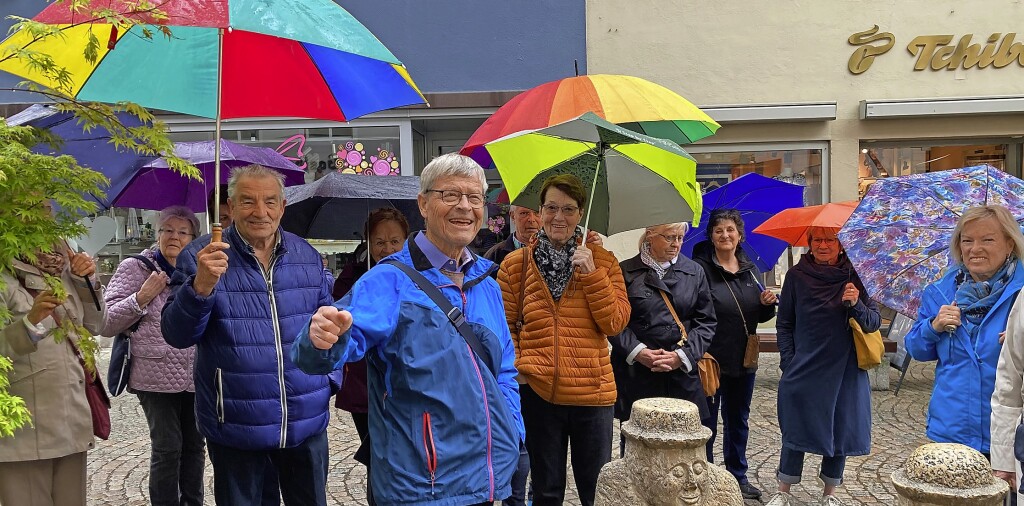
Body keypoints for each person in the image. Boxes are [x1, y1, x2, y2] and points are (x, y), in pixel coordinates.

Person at [291, 153, 523, 506]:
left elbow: (503, 368)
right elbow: (326, 351)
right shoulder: (389, 280)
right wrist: (320, 339)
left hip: (487, 480)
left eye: (475, 197)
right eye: (450, 195)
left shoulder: (486, 283)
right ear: (424, 204)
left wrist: (512, 431)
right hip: (422, 485)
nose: (465, 206)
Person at [161, 164, 339, 506]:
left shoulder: (307, 257)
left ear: (283, 206)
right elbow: (177, 335)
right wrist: (200, 287)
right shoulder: (202, 257)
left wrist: (329, 381)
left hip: (305, 421)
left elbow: (327, 326)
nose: (261, 212)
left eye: (270, 201)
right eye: (248, 202)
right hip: (236, 423)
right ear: (230, 206)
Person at [497, 174, 631, 506]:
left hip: (593, 394)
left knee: (594, 489)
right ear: (539, 211)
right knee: (545, 488)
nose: (559, 217)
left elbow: (615, 323)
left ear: (580, 214)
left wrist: (592, 276)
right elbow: (505, 327)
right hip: (540, 394)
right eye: (551, 207)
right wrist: (522, 371)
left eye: (569, 209)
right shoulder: (516, 265)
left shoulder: (603, 261)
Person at [908, 206, 1024, 492]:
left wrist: (1019, 339)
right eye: (967, 240)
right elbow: (916, 349)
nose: (975, 249)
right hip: (952, 428)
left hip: (1006, 432)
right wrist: (932, 327)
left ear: (1010, 243)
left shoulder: (1022, 295)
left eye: (988, 240)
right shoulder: (941, 292)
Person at [766, 227, 880, 506]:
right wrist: (788, 362)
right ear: (809, 243)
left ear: (841, 244)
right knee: (796, 426)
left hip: (846, 368)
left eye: (830, 239)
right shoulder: (796, 277)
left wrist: (856, 304)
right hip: (805, 365)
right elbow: (785, 324)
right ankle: (783, 491)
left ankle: (830, 493)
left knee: (839, 428)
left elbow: (873, 323)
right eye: (817, 239)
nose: (823, 245)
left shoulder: (858, 277)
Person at [102, 206, 205, 506]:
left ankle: (192, 502)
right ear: (158, 234)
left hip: (197, 373)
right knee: (168, 446)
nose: (174, 236)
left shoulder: (201, 270)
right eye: (168, 230)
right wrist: (142, 296)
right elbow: (106, 322)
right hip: (153, 374)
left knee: (195, 446)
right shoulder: (135, 268)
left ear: (193, 238)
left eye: (182, 232)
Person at [0, 237, 106, 506]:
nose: (45, 215)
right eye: (34, 205)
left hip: (71, 417)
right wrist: (28, 322)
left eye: (48, 207)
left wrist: (86, 282)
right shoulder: (4, 274)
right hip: (25, 431)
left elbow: (97, 325)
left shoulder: (64, 264)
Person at [691, 209, 777, 500]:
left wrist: (767, 305)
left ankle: (737, 475)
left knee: (738, 419)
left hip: (744, 358)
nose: (725, 235)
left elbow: (755, 313)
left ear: (740, 235)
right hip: (712, 359)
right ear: (711, 237)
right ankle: (707, 476)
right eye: (718, 231)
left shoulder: (750, 270)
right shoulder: (700, 270)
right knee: (708, 422)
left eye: (730, 230)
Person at [610, 222, 716, 456]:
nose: (676, 244)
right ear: (650, 236)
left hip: (681, 372)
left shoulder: (694, 271)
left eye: (680, 238)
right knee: (638, 445)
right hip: (638, 372)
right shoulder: (624, 271)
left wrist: (683, 356)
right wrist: (638, 352)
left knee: (689, 444)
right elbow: (614, 322)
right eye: (669, 237)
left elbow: (706, 321)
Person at [331, 207, 409, 506]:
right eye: (379, 241)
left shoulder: (416, 275)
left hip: (403, 381)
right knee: (375, 453)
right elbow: (340, 312)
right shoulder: (354, 274)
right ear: (368, 242)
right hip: (364, 383)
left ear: (406, 240)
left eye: (394, 241)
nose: (386, 248)